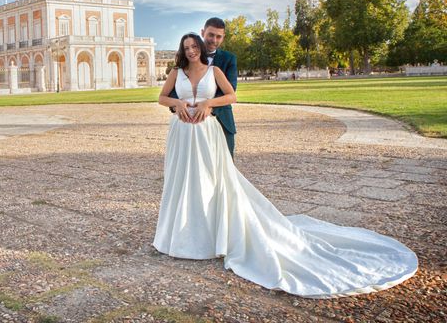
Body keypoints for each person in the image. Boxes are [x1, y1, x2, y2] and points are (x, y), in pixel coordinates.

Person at [154, 33, 417, 298]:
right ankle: (184, 235)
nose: (191, 51)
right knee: (183, 180)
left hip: (207, 133)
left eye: (194, 46)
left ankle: (213, 235)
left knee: (211, 181)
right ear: (182, 50)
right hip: (182, 133)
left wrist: (210, 102)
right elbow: (162, 98)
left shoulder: (214, 70)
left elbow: (232, 96)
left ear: (200, 47)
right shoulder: (177, 72)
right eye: (186, 48)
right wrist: (176, 102)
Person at [169, 17, 237, 157]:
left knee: (225, 165)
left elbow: (231, 90)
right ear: (202, 32)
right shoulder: (187, 56)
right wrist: (177, 105)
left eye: (219, 36)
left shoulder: (229, 58)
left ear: (223, 37)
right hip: (188, 120)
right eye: (211, 35)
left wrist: (208, 105)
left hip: (222, 118)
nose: (214, 40)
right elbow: (173, 89)